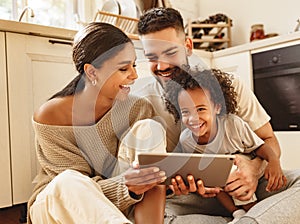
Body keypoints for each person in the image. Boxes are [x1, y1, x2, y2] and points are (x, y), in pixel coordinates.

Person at [135, 7, 300, 223]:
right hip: (194, 198)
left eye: (170, 53)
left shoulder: (228, 87)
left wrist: (253, 169)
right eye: (152, 57)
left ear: (188, 46)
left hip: (246, 186)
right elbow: (152, 176)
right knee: (155, 215)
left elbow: (270, 141)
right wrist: (175, 183)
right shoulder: (142, 103)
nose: (162, 65)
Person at [27, 22, 168, 224]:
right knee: (69, 180)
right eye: (123, 68)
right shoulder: (50, 116)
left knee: (150, 128)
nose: (134, 75)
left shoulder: (138, 109)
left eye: (134, 65)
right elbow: (77, 194)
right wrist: (125, 186)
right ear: (92, 72)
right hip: (59, 206)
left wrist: (144, 182)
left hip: (116, 208)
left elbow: (150, 182)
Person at [164, 68, 287, 223]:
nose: (193, 118)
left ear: (217, 107)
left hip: (247, 174)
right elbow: (199, 170)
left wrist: (274, 162)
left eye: (201, 109)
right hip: (220, 185)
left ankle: (253, 213)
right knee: (214, 177)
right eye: (185, 112)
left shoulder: (233, 124)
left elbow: (260, 147)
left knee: (233, 176)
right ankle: (237, 213)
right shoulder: (186, 140)